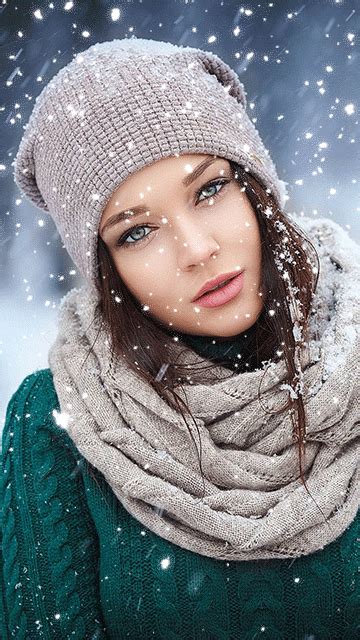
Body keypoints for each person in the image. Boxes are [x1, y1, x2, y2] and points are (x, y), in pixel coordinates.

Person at [1, 37, 359, 640]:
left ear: (255, 189)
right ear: (105, 269)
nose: (198, 250)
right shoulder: (57, 424)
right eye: (138, 232)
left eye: (210, 190)